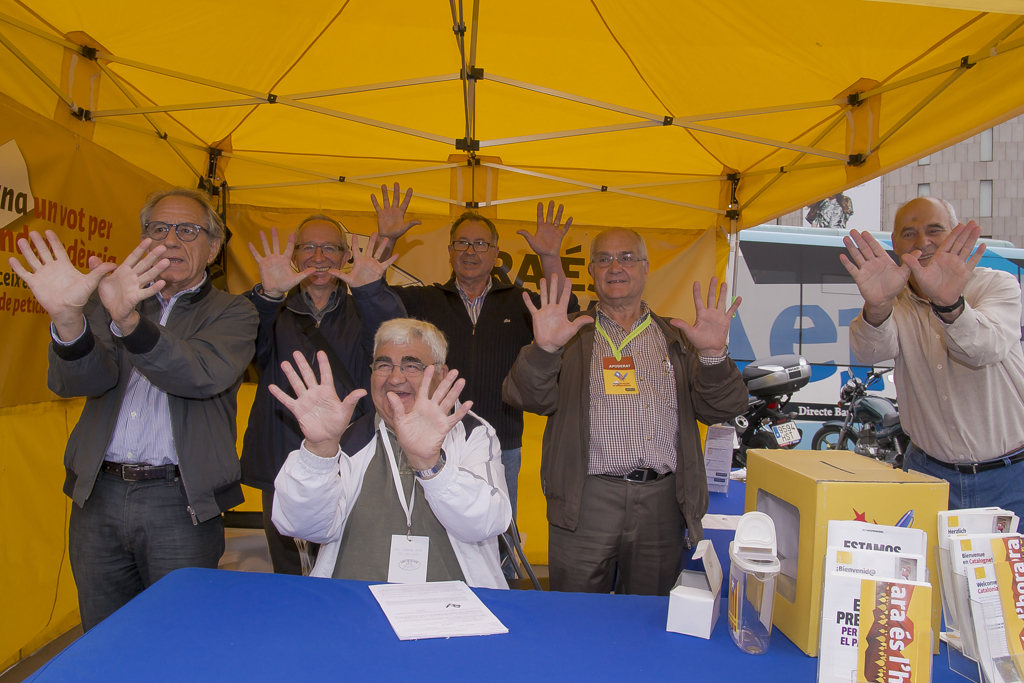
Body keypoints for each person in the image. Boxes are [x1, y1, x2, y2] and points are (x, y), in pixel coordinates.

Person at [8, 188, 258, 630]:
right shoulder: (108, 295)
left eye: (188, 230)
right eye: (158, 228)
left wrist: (127, 322)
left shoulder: (234, 311)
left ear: (214, 247)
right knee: (103, 636)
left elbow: (199, 374)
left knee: (178, 637)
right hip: (98, 497)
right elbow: (79, 381)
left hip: (181, 503)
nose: (171, 240)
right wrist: (69, 319)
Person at [502, 228, 748, 596]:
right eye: (604, 259)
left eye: (627, 257)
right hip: (586, 500)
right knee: (577, 617)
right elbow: (525, 396)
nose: (615, 266)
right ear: (592, 271)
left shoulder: (675, 339)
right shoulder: (572, 335)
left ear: (647, 268)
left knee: (648, 621)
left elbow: (722, 409)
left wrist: (713, 356)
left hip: (662, 503)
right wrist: (544, 349)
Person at [372, 183, 578, 521]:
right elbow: (371, 291)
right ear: (449, 252)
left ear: (497, 254)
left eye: (481, 243)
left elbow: (563, 309)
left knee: (495, 530)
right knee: (431, 530)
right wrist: (387, 239)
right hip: (432, 439)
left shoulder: (520, 302)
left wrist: (550, 257)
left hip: (502, 442)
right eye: (462, 243)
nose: (471, 251)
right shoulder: (425, 300)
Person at [270, 319, 512, 588]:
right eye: (384, 365)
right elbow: (301, 526)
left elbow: (488, 522)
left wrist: (431, 466)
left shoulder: (470, 433)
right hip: (352, 604)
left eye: (412, 365)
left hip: (450, 608)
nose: (395, 378)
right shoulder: (347, 438)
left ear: (441, 375)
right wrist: (319, 451)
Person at [240, 216, 405, 575]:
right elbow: (241, 346)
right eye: (308, 247)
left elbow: (397, 342)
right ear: (295, 256)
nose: (319, 256)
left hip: (353, 456)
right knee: (289, 569)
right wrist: (268, 296)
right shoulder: (274, 310)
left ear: (346, 255)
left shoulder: (364, 308)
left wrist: (370, 292)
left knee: (351, 563)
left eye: (329, 247)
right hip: (282, 457)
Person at [843, 196, 1024, 518]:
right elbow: (870, 352)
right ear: (895, 242)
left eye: (934, 230)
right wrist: (878, 305)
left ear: (954, 233)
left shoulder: (997, 284)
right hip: (929, 475)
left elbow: (985, 349)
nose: (923, 242)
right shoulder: (892, 297)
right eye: (909, 233)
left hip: (1011, 478)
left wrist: (948, 304)